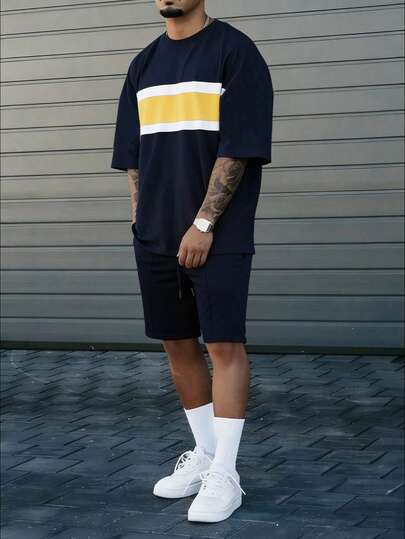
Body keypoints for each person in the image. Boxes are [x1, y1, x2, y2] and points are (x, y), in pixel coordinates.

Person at [111, 0, 273, 523]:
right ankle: (205, 453)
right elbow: (133, 155)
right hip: (155, 234)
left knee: (223, 344)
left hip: (217, 232)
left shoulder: (234, 52)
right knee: (177, 342)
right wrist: (140, 221)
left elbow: (238, 149)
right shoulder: (143, 64)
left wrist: (203, 223)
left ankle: (226, 474)